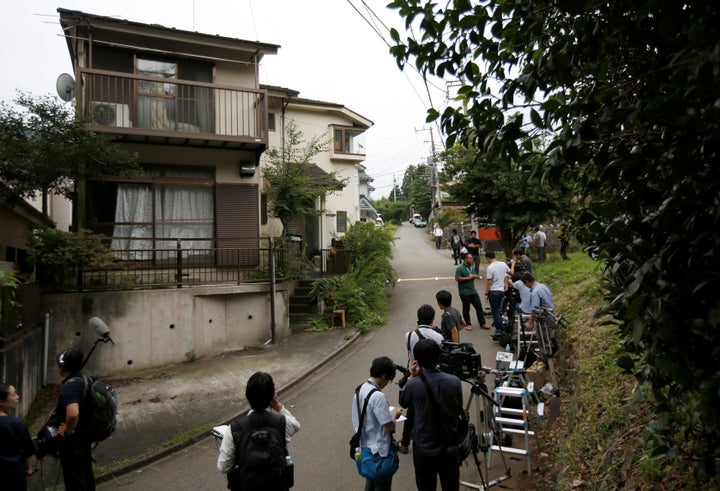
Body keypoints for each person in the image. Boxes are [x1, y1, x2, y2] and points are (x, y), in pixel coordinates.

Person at [218, 371, 300, 491]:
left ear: (246, 395)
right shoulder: (282, 423)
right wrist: (277, 405)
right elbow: (296, 425)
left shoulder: (235, 429)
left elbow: (223, 467)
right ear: (272, 396)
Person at [399, 339, 464, 491]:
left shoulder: (414, 384)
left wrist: (411, 377)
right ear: (439, 357)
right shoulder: (454, 381)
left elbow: (403, 402)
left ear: (417, 361)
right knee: (451, 485)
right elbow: (457, 407)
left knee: (426, 486)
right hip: (449, 445)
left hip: (424, 447)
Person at [351, 357, 402, 491]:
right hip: (378, 451)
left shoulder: (360, 389)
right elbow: (389, 428)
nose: (387, 383)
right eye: (389, 380)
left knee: (370, 481)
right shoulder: (378, 396)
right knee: (382, 485)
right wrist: (395, 414)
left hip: (365, 446)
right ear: (384, 376)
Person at [399, 304, 444, 454]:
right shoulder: (439, 337)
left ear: (418, 319)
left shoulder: (409, 335)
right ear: (433, 319)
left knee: (412, 410)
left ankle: (405, 443)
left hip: (416, 375)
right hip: (433, 374)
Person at [51, 348, 95, 490]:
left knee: (75, 480)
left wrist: (68, 431)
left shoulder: (71, 385)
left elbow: (73, 413)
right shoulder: (84, 379)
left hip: (74, 442)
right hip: (84, 437)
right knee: (86, 475)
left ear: (63, 367)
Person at [0, 383, 34, 490]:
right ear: (1, 401)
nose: (17, 397)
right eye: (14, 394)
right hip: (13, 473)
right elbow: (27, 450)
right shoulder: (16, 423)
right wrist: (29, 468)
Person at [454, 253, 490, 330]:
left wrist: (475, 276)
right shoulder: (460, 268)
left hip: (473, 291)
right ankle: (467, 324)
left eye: (472, 258)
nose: (472, 260)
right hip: (464, 292)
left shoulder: (472, 267)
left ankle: (482, 323)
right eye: (470, 258)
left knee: (479, 306)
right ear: (466, 259)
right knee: (466, 308)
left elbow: (473, 275)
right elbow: (457, 278)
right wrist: (467, 278)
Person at [484, 251, 510, 338]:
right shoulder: (503, 264)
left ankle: (500, 329)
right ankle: (500, 328)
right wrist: (505, 284)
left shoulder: (490, 268)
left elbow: (489, 282)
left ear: (488, 258)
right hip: (501, 291)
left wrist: (486, 293)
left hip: (493, 291)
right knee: (499, 310)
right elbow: (508, 273)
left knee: (495, 311)